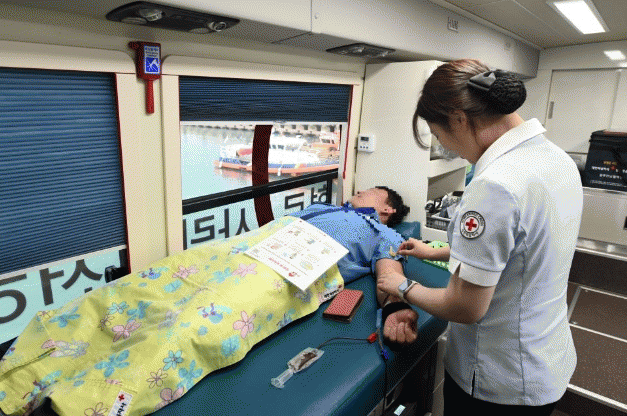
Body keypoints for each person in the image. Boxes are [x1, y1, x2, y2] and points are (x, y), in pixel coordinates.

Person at [377, 59, 583, 415]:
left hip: (499, 380)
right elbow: (522, 246)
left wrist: (401, 285)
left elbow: (465, 307)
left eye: (440, 136)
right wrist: (435, 251)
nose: (448, 147)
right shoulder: (555, 158)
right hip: (543, 357)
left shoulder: (496, 186)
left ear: (459, 119)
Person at [290, 186, 419, 347]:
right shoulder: (321, 207)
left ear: (387, 209)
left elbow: (390, 274)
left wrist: (394, 307)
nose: (359, 192)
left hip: (285, 271)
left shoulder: (383, 233)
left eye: (371, 191)